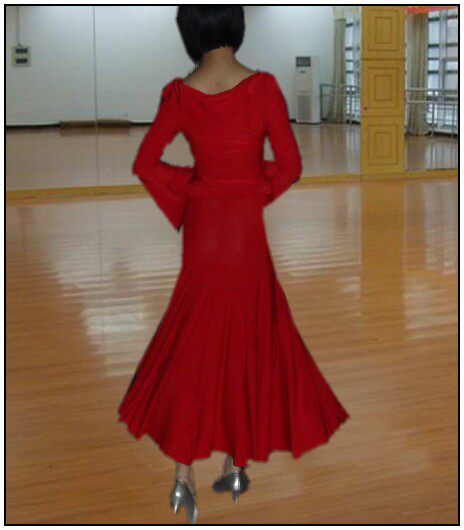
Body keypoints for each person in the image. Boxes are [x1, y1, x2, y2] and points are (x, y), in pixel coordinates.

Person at [118, 5, 349, 524]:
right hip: (245, 235)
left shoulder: (179, 95)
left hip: (204, 235)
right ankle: (236, 464)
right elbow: (291, 166)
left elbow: (145, 164)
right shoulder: (263, 89)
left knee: (194, 344)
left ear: (190, 30)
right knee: (249, 341)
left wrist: (197, 192)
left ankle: (183, 478)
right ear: (237, 25)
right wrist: (248, 190)